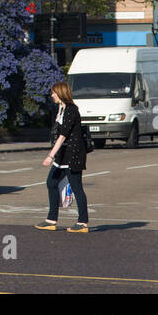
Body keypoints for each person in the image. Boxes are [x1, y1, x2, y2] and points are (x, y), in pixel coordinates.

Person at [35, 81, 90, 233]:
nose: (52, 95)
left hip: (73, 155)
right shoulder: (61, 109)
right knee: (51, 182)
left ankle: (83, 222)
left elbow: (63, 135)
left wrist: (50, 156)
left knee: (77, 188)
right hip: (62, 156)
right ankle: (51, 220)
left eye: (54, 92)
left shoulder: (72, 110)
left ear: (61, 93)